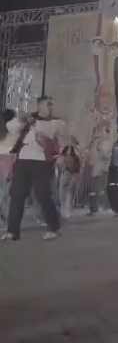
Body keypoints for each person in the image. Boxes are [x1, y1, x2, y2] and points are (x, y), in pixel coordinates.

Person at [2, 96, 64, 242]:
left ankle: (54, 227)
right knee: (17, 195)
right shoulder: (29, 120)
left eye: (52, 104)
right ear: (40, 106)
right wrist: (21, 119)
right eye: (47, 104)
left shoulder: (57, 123)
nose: (50, 107)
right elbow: (11, 127)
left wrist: (60, 155)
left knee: (43, 194)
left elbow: (61, 140)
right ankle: (12, 231)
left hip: (43, 161)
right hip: (23, 159)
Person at [88, 126, 113, 215]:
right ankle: (93, 209)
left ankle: (106, 207)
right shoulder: (96, 143)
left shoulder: (108, 144)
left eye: (103, 132)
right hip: (95, 169)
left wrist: (100, 149)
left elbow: (107, 156)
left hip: (103, 169)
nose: (101, 134)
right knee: (94, 190)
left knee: (102, 189)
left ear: (107, 134)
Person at [0, 109, 16, 226]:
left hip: (4, 166)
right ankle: (5, 221)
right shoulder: (12, 135)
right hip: (7, 167)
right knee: (6, 196)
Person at [57, 141, 81, 219]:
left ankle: (67, 209)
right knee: (63, 191)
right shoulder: (64, 156)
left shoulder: (74, 156)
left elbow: (78, 166)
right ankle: (64, 209)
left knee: (70, 192)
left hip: (73, 173)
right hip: (67, 173)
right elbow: (60, 165)